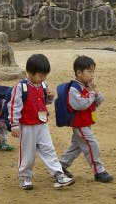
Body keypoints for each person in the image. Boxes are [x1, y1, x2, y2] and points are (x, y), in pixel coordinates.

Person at [8, 54, 74, 190]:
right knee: (27, 153)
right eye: (40, 75)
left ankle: (58, 175)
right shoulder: (21, 87)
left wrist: (50, 98)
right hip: (27, 126)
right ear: (30, 73)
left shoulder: (43, 85)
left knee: (49, 149)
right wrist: (14, 124)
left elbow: (44, 102)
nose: (43, 78)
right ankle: (24, 177)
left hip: (42, 124)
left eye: (45, 75)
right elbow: (14, 105)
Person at [59, 55, 113, 183]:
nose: (92, 75)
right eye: (89, 71)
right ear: (79, 72)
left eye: (93, 71)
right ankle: (99, 171)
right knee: (91, 143)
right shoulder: (74, 88)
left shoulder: (86, 86)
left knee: (76, 146)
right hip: (79, 123)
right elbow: (80, 105)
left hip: (85, 122)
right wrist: (92, 93)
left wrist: (94, 92)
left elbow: (98, 101)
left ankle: (60, 166)